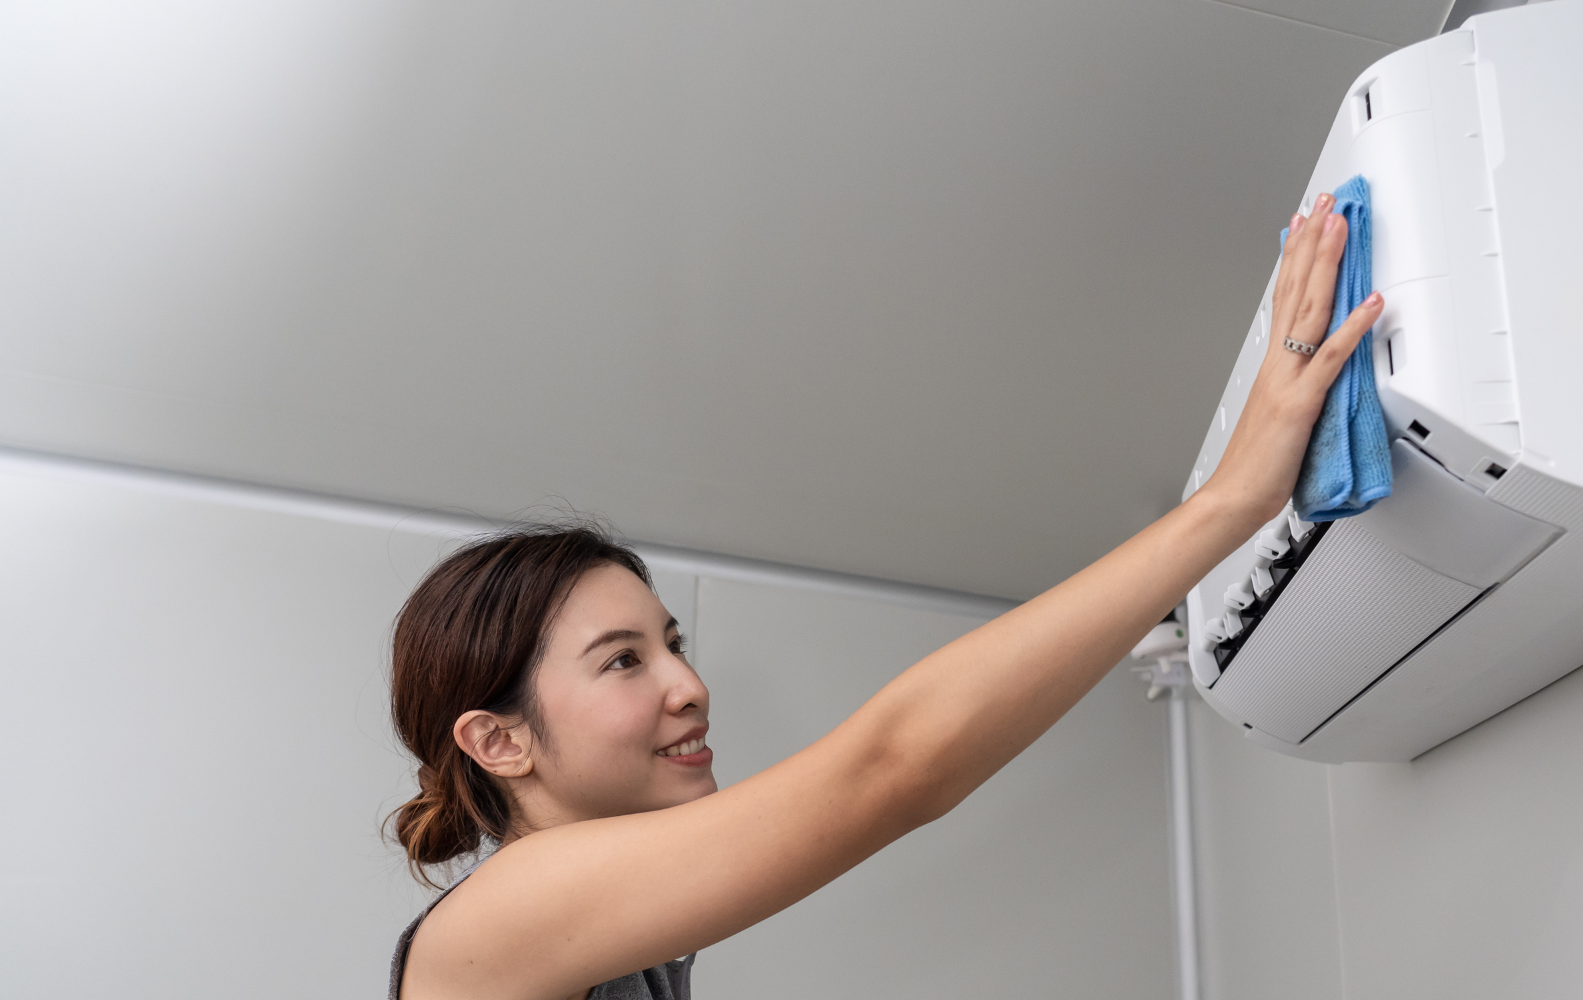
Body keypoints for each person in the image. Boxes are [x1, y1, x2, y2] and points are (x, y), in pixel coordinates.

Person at [386, 192, 1384, 1000]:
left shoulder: (618, 945)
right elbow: (891, 767)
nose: (689, 685)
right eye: (622, 659)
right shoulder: (501, 917)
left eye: (671, 643)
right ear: (499, 741)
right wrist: (1230, 502)